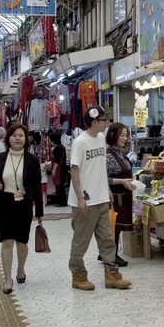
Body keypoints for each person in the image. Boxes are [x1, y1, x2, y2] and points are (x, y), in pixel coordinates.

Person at [68, 106, 131, 291]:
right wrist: (80, 197)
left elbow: (100, 167)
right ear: (94, 122)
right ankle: (78, 275)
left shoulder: (101, 139)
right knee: (81, 241)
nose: (106, 123)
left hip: (101, 198)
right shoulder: (80, 142)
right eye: (104, 120)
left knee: (107, 239)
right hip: (85, 201)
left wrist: (106, 189)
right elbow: (74, 170)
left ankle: (112, 274)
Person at [0, 123, 43, 293]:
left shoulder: (32, 160)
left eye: (21, 135)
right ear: (8, 138)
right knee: (7, 242)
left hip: (24, 204)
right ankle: (7, 278)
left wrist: (39, 211)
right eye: (14, 135)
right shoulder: (0, 158)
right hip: (5, 203)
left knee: (21, 242)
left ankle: (20, 269)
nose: (17, 138)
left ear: (25, 139)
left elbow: (37, 186)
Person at [105, 122, 133, 267]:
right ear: (113, 135)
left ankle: (106, 253)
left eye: (126, 135)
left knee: (116, 226)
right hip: (115, 197)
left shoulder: (119, 153)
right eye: (122, 135)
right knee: (114, 226)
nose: (125, 138)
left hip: (123, 196)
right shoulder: (109, 155)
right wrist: (122, 181)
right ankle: (112, 255)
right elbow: (104, 178)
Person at [49, 131, 68, 207]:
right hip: (62, 167)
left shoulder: (58, 148)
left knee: (59, 186)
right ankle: (61, 201)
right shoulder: (62, 147)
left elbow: (57, 161)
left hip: (59, 169)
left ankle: (61, 202)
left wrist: (54, 170)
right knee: (60, 185)